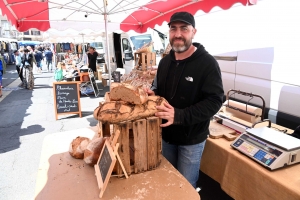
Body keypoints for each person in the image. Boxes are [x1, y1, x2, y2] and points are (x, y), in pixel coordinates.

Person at [145, 12, 224, 188]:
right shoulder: (165, 63)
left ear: (193, 32)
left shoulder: (207, 63)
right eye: (173, 29)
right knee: (169, 181)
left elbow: (215, 100)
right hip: (166, 137)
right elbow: (159, 90)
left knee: (185, 187)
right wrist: (153, 95)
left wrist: (179, 115)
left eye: (184, 29)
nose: (178, 34)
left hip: (192, 140)